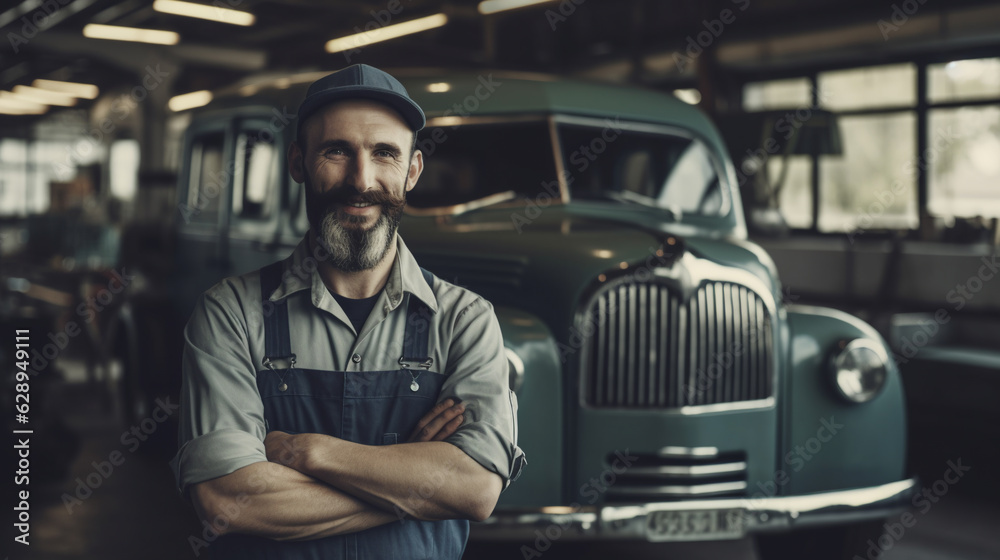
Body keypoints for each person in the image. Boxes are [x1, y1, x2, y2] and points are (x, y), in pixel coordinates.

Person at [169, 64, 525, 559]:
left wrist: (304, 452)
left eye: (385, 154)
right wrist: (416, 486)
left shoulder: (465, 321)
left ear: (413, 170)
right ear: (298, 163)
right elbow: (228, 501)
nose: (361, 180)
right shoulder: (230, 313)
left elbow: (476, 490)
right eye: (336, 151)